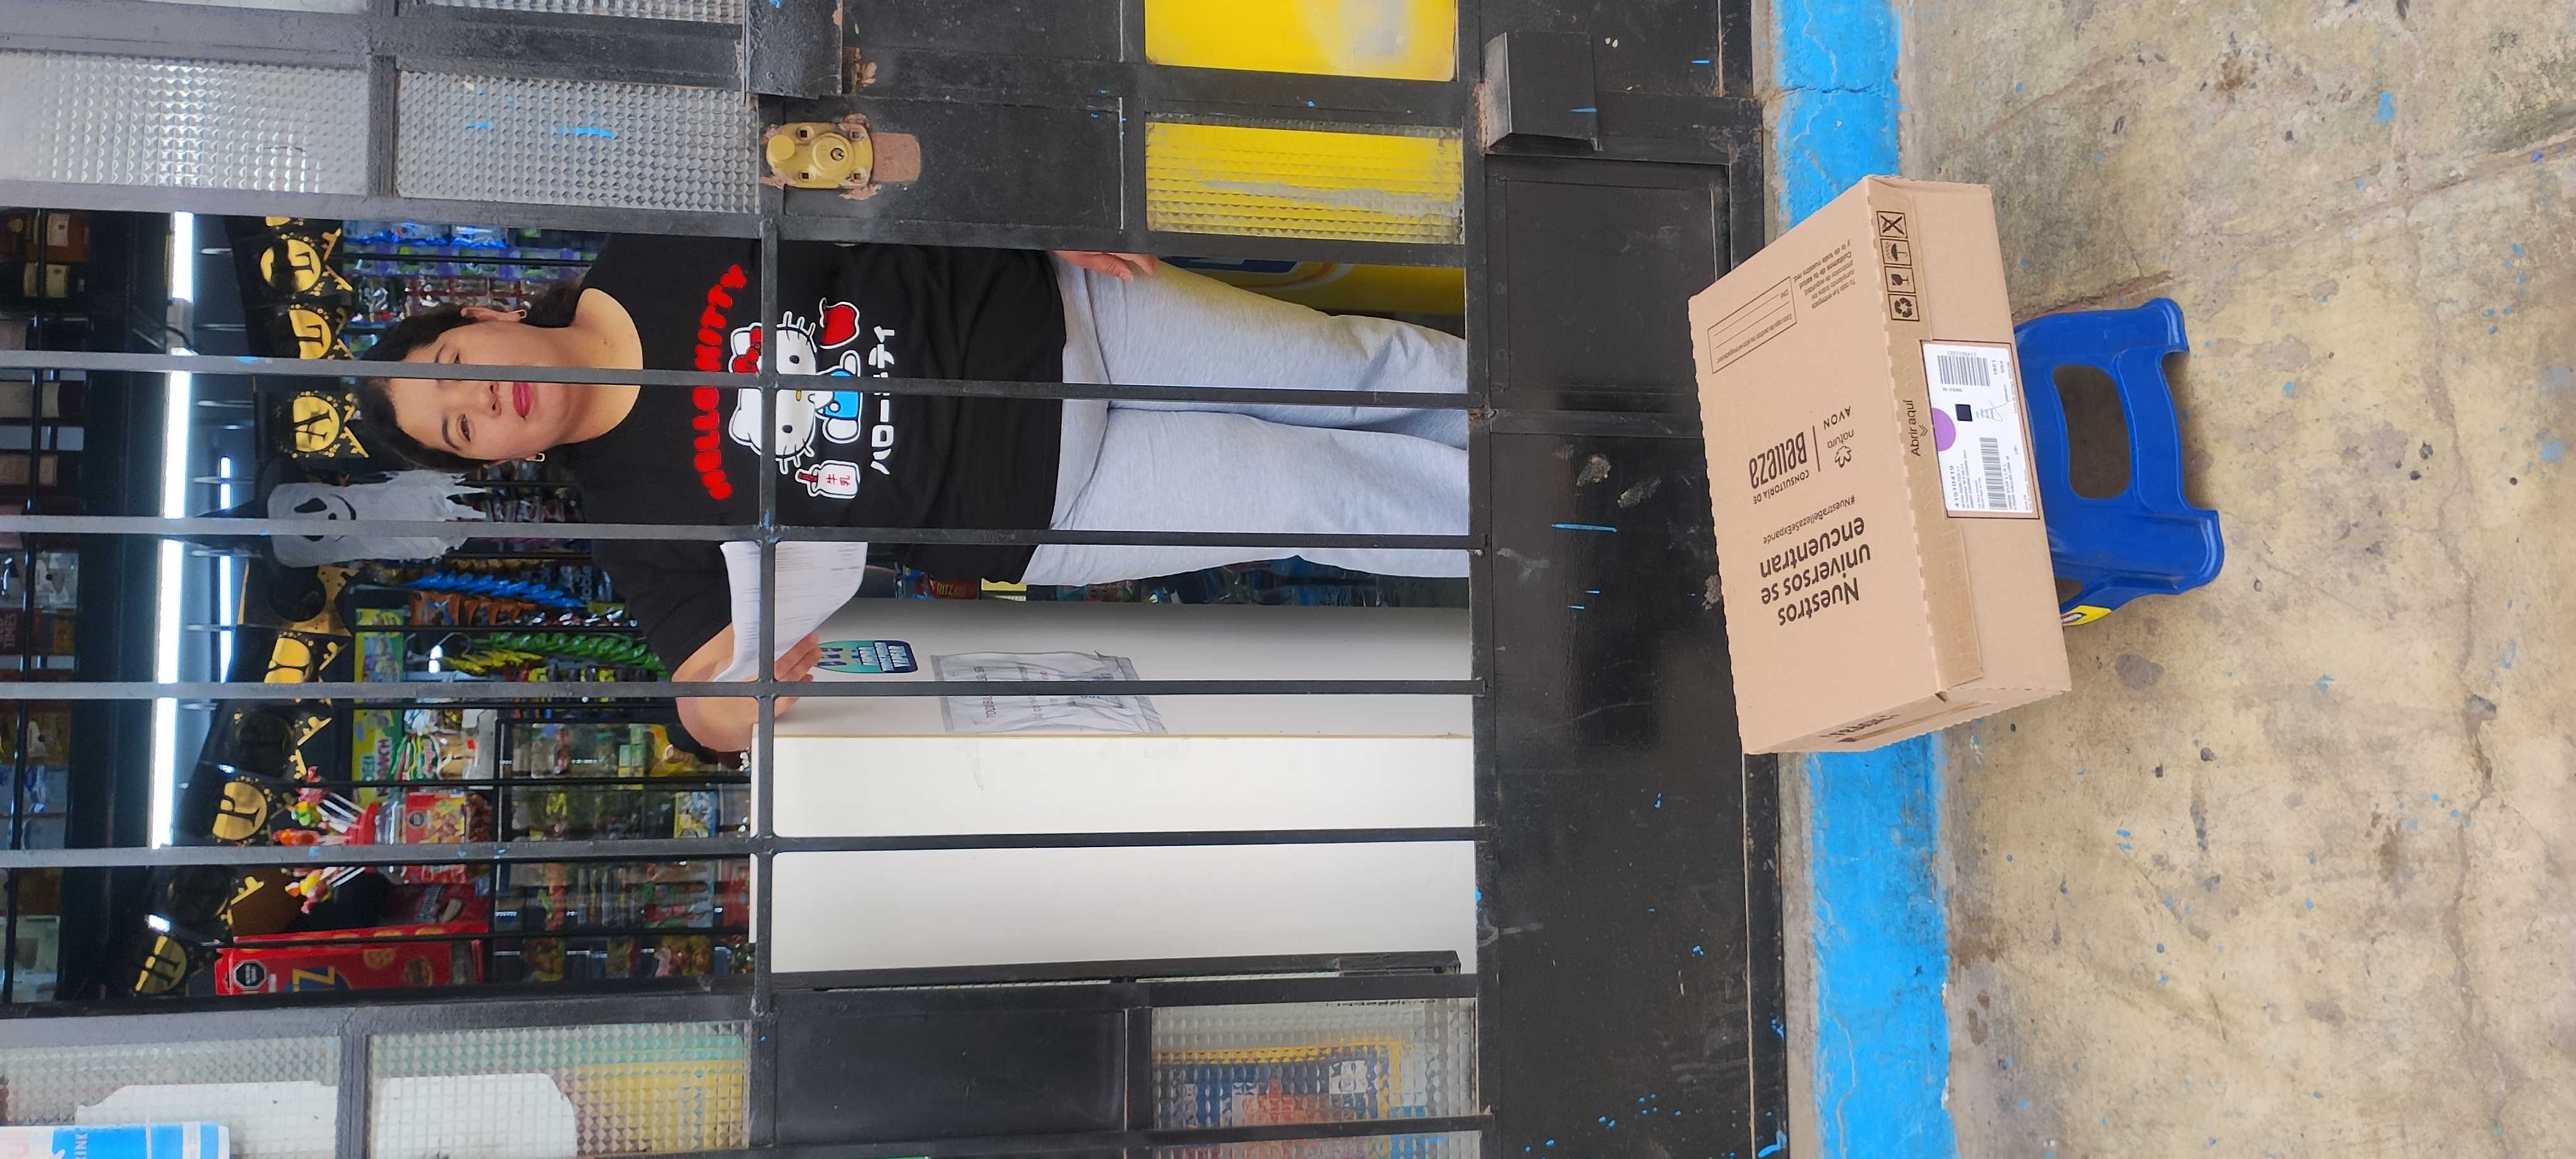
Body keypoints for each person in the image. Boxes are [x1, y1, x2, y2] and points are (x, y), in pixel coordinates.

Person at [356, 238, 1468, 752]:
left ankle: (1552, 409)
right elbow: (701, 703)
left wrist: (1034, 208)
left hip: (1061, 311)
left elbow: (858, 176)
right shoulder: (626, 510)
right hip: (1054, 501)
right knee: (1338, 504)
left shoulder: (647, 254)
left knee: (1351, 369)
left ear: (479, 318)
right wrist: (742, 692)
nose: (482, 400)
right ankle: (1553, 524)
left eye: (453, 368)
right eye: (460, 430)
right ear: (490, 462)